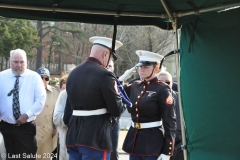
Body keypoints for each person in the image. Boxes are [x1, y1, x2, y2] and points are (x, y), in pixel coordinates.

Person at [64, 36, 126, 160]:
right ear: (105, 54)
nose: (109, 62)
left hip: (73, 136)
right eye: (111, 58)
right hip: (96, 138)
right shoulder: (105, 75)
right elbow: (116, 110)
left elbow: (67, 114)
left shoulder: (73, 73)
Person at [122, 50, 176, 160]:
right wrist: (121, 79)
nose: (141, 69)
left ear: (156, 69)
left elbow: (170, 121)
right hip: (135, 142)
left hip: (152, 143)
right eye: (140, 67)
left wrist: (167, 151)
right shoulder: (135, 86)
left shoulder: (162, 89)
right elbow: (115, 93)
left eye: (145, 67)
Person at [0, 49, 46, 158]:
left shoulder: (34, 77)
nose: (19, 65)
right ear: (10, 61)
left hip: (26, 128)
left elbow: (40, 100)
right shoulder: (1, 77)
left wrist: (27, 115)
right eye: (15, 62)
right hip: (5, 128)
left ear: (26, 61)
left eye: (22, 62)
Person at [158, 71, 183, 160]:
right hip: (157, 145)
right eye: (161, 82)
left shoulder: (181, 99)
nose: (164, 85)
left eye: (167, 82)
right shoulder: (151, 99)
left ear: (172, 83)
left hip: (178, 145)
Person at [35, 67, 59, 160]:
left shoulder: (55, 93)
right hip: (32, 134)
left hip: (48, 135)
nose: (43, 80)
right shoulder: (29, 92)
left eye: (46, 78)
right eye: (41, 77)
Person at [53, 74, 69, 160]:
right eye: (63, 88)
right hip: (63, 139)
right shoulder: (62, 96)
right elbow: (56, 118)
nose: (65, 91)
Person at [107, 59, 120, 160]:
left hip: (114, 123)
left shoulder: (118, 83)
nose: (108, 68)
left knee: (113, 152)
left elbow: (124, 104)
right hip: (99, 123)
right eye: (106, 65)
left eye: (110, 66)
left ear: (113, 68)